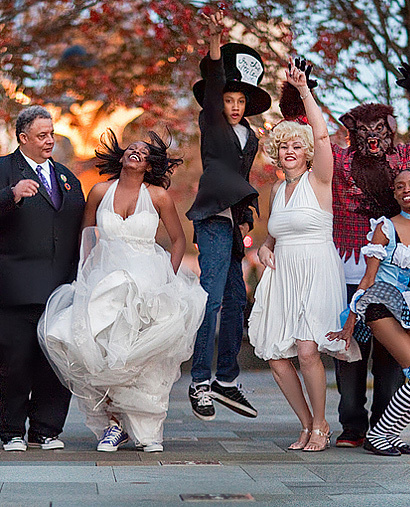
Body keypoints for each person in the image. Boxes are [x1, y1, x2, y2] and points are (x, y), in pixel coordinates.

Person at [39, 130, 207, 453]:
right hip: (105, 278)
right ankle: (113, 425)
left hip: (148, 280)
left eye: (144, 153)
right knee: (101, 350)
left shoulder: (158, 196)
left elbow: (179, 241)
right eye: (132, 148)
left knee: (143, 355)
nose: (137, 153)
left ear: (149, 165)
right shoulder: (100, 191)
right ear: (122, 156)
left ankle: (147, 427)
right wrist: (84, 275)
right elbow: (87, 234)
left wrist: (168, 282)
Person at [329, 61, 410, 449]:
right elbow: (309, 139)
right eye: (363, 133)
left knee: (390, 364)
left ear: (390, 131)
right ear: (351, 134)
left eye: (379, 132)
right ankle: (353, 427)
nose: (371, 140)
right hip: (349, 266)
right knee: (350, 361)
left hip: (398, 284)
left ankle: (384, 430)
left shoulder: (404, 164)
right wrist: (300, 95)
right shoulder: (340, 162)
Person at [248, 60, 360, 453]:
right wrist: (265, 246)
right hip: (284, 274)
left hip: (317, 269)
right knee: (276, 356)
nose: (290, 150)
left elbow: (323, 134)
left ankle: (322, 425)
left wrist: (305, 92)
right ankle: (306, 422)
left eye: (297, 146)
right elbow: (277, 234)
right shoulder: (277, 192)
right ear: (276, 154)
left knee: (308, 348)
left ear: (308, 152)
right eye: (283, 146)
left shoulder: (320, 179)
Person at [0, 105, 86, 452]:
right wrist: (12, 194)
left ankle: (46, 429)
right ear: (23, 138)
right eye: (42, 135)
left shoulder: (67, 176)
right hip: (13, 289)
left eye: (51, 134)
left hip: (59, 288)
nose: (50, 140)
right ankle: (13, 431)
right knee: (15, 361)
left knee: (55, 361)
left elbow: (78, 227)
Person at [328, 170, 410, 456]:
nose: (406, 189)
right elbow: (368, 279)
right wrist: (350, 321)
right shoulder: (385, 228)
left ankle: (390, 433)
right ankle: (377, 436)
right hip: (381, 305)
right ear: (395, 194)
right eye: (400, 186)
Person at [186, 11, 271, 421]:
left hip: (234, 223)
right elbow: (217, 77)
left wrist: (245, 217)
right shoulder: (212, 122)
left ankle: (226, 380)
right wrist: (216, 41)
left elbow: (243, 178)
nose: (234, 106)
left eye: (241, 101)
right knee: (213, 298)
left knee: (238, 299)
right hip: (211, 219)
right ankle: (199, 381)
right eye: (229, 100)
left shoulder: (250, 136)